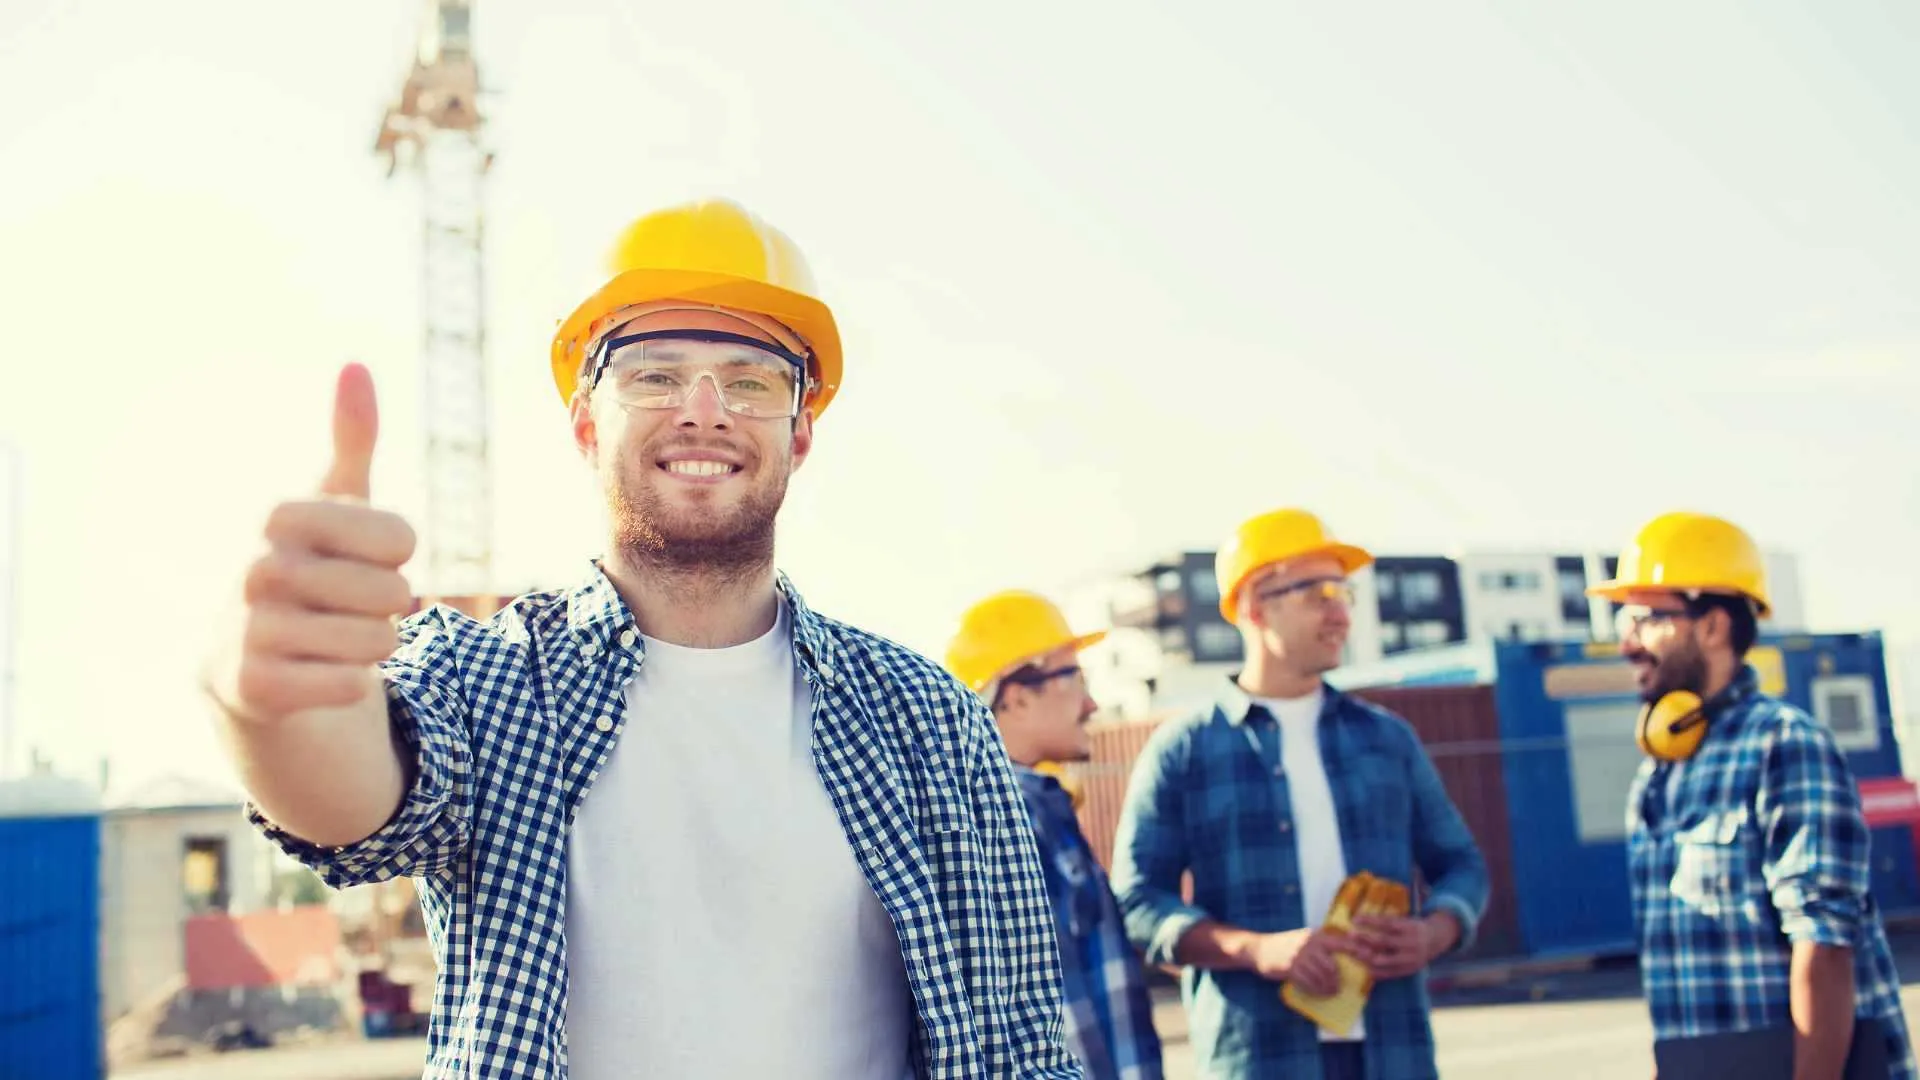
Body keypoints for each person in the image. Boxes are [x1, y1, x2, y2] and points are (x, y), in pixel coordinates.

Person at [201, 197, 1082, 1080]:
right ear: (587, 424)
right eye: (655, 374)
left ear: (800, 433)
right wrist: (265, 704)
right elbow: (354, 801)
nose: (704, 411)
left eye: (752, 379)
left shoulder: (925, 718)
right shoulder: (490, 680)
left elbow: (1025, 1049)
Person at [1109, 507, 1489, 1080]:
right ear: (1255, 607)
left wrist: (1435, 931)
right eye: (1321, 593)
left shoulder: (1389, 740)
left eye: (1344, 594)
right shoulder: (1182, 751)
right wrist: (1255, 950)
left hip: (1394, 1051)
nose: (1341, 613)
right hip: (1258, 1056)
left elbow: (1462, 865)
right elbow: (1138, 901)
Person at [1589, 511, 1916, 1080]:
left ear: (1712, 626)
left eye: (1645, 618)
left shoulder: (1784, 745)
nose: (1626, 642)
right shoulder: (1657, 778)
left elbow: (1825, 943)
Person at [944, 590, 1166, 1080]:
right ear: (1017, 696)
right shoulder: (1003, 821)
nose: (1091, 703)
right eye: (1075, 677)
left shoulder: (1031, 808)